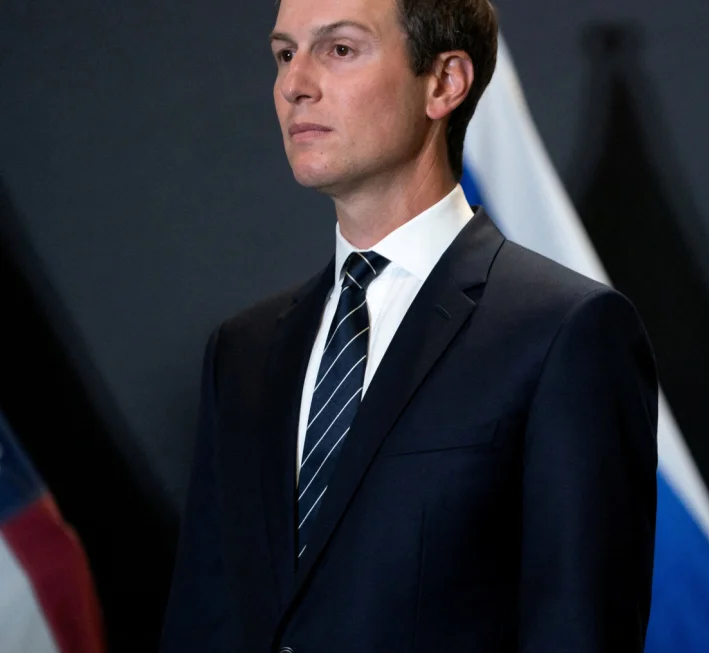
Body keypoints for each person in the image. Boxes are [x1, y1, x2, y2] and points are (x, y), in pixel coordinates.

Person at [159, 0, 658, 650]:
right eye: (285, 53)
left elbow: (577, 630)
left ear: (445, 82)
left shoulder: (563, 333)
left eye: (338, 49)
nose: (293, 84)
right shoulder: (242, 352)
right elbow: (206, 623)